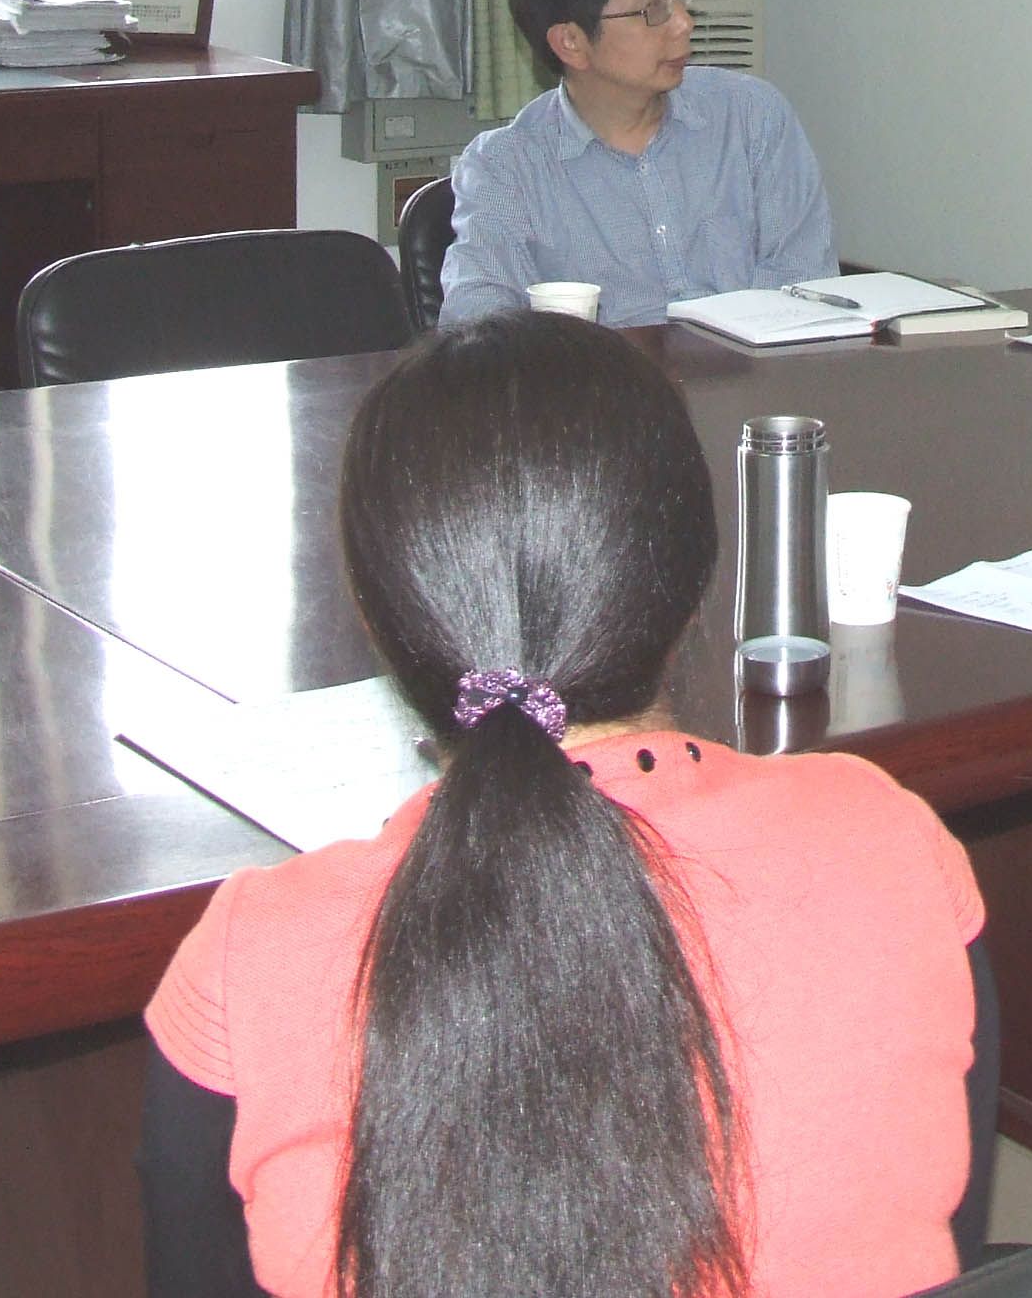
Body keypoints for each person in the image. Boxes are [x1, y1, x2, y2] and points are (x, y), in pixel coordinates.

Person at [138, 312, 988, 1298]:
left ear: (380, 617)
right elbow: (959, 1256)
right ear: (692, 583)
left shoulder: (253, 959)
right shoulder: (888, 841)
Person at [437, 0, 835, 328]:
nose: (684, 22)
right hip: (603, 371)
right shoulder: (506, 166)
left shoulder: (751, 116)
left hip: (751, 365)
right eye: (653, 8)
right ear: (571, 42)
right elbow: (479, 321)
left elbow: (804, 280)